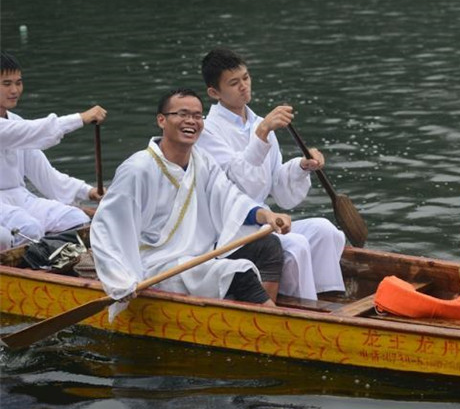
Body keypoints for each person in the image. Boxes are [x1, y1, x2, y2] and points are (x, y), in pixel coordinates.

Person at [90, 88, 292, 314]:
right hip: (157, 264)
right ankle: (276, 322)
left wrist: (268, 216)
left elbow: (230, 198)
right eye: (182, 114)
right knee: (238, 274)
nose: (191, 121)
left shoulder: (202, 160)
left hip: (201, 254)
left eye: (197, 116)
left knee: (268, 246)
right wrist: (120, 281)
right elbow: (107, 227)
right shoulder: (137, 169)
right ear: (161, 120)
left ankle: (264, 317)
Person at [196, 47, 346, 300]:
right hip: (230, 232)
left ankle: (330, 301)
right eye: (234, 83)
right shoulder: (207, 131)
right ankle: (304, 308)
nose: (244, 86)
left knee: (325, 230)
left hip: (265, 222)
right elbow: (238, 180)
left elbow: (278, 186)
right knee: (296, 245)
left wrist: (301, 166)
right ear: (214, 93)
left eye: (245, 77)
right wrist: (263, 131)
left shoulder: (257, 123)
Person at [0, 51, 106, 247]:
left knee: (76, 219)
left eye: (18, 82)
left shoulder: (17, 123)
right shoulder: (20, 129)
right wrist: (81, 118)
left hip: (18, 198)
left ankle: (54, 262)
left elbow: (46, 175)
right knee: (28, 229)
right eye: (7, 84)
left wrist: (88, 191)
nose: (14, 90)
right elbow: (39, 131)